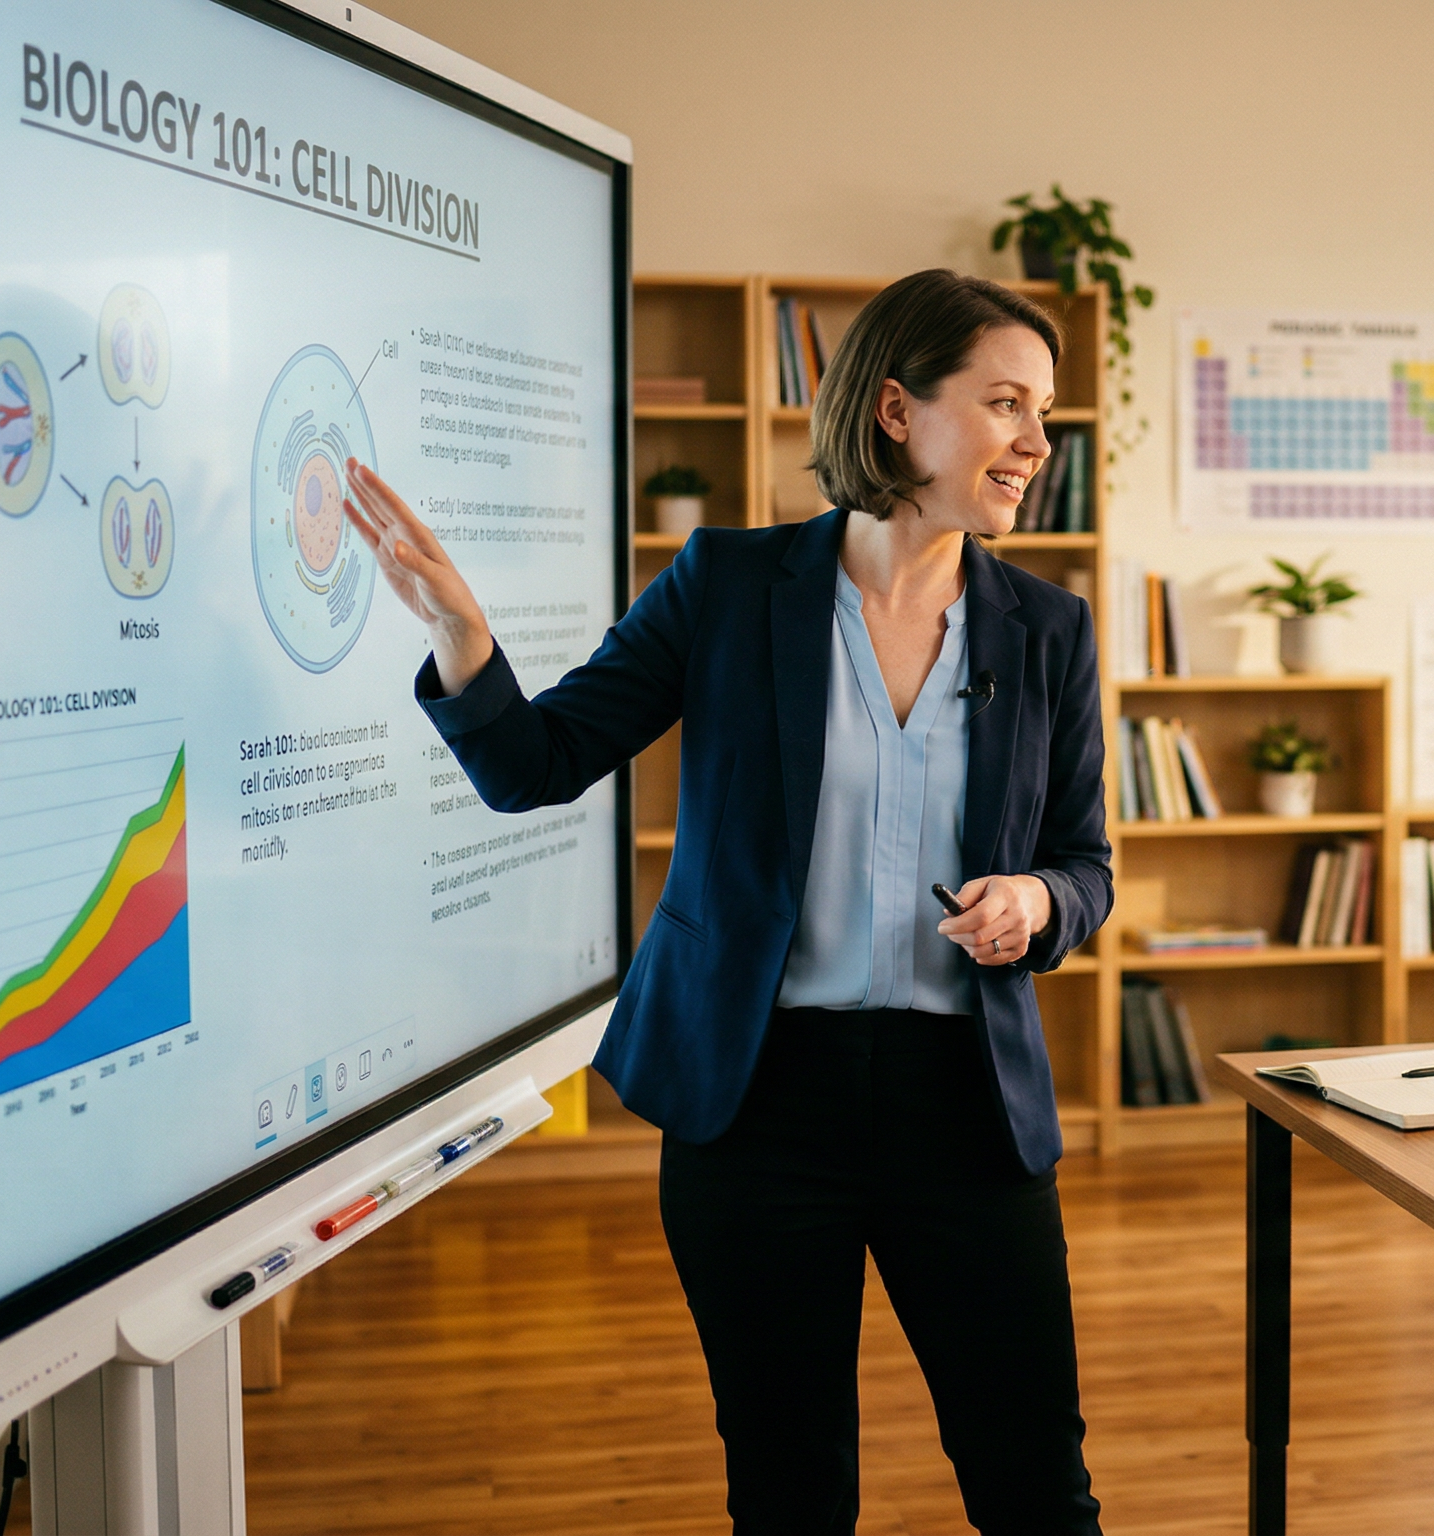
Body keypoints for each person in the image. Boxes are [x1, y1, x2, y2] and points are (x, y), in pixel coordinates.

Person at [346, 270, 1110, 1534]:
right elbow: (534, 767)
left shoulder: (1047, 630)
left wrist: (1036, 897)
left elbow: (1085, 863)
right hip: (758, 1105)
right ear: (894, 410)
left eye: (1045, 412)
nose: (1038, 444)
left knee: (1036, 1483)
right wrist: (463, 639)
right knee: (789, 1490)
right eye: (1007, 405)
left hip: (966, 1109)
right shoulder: (729, 585)